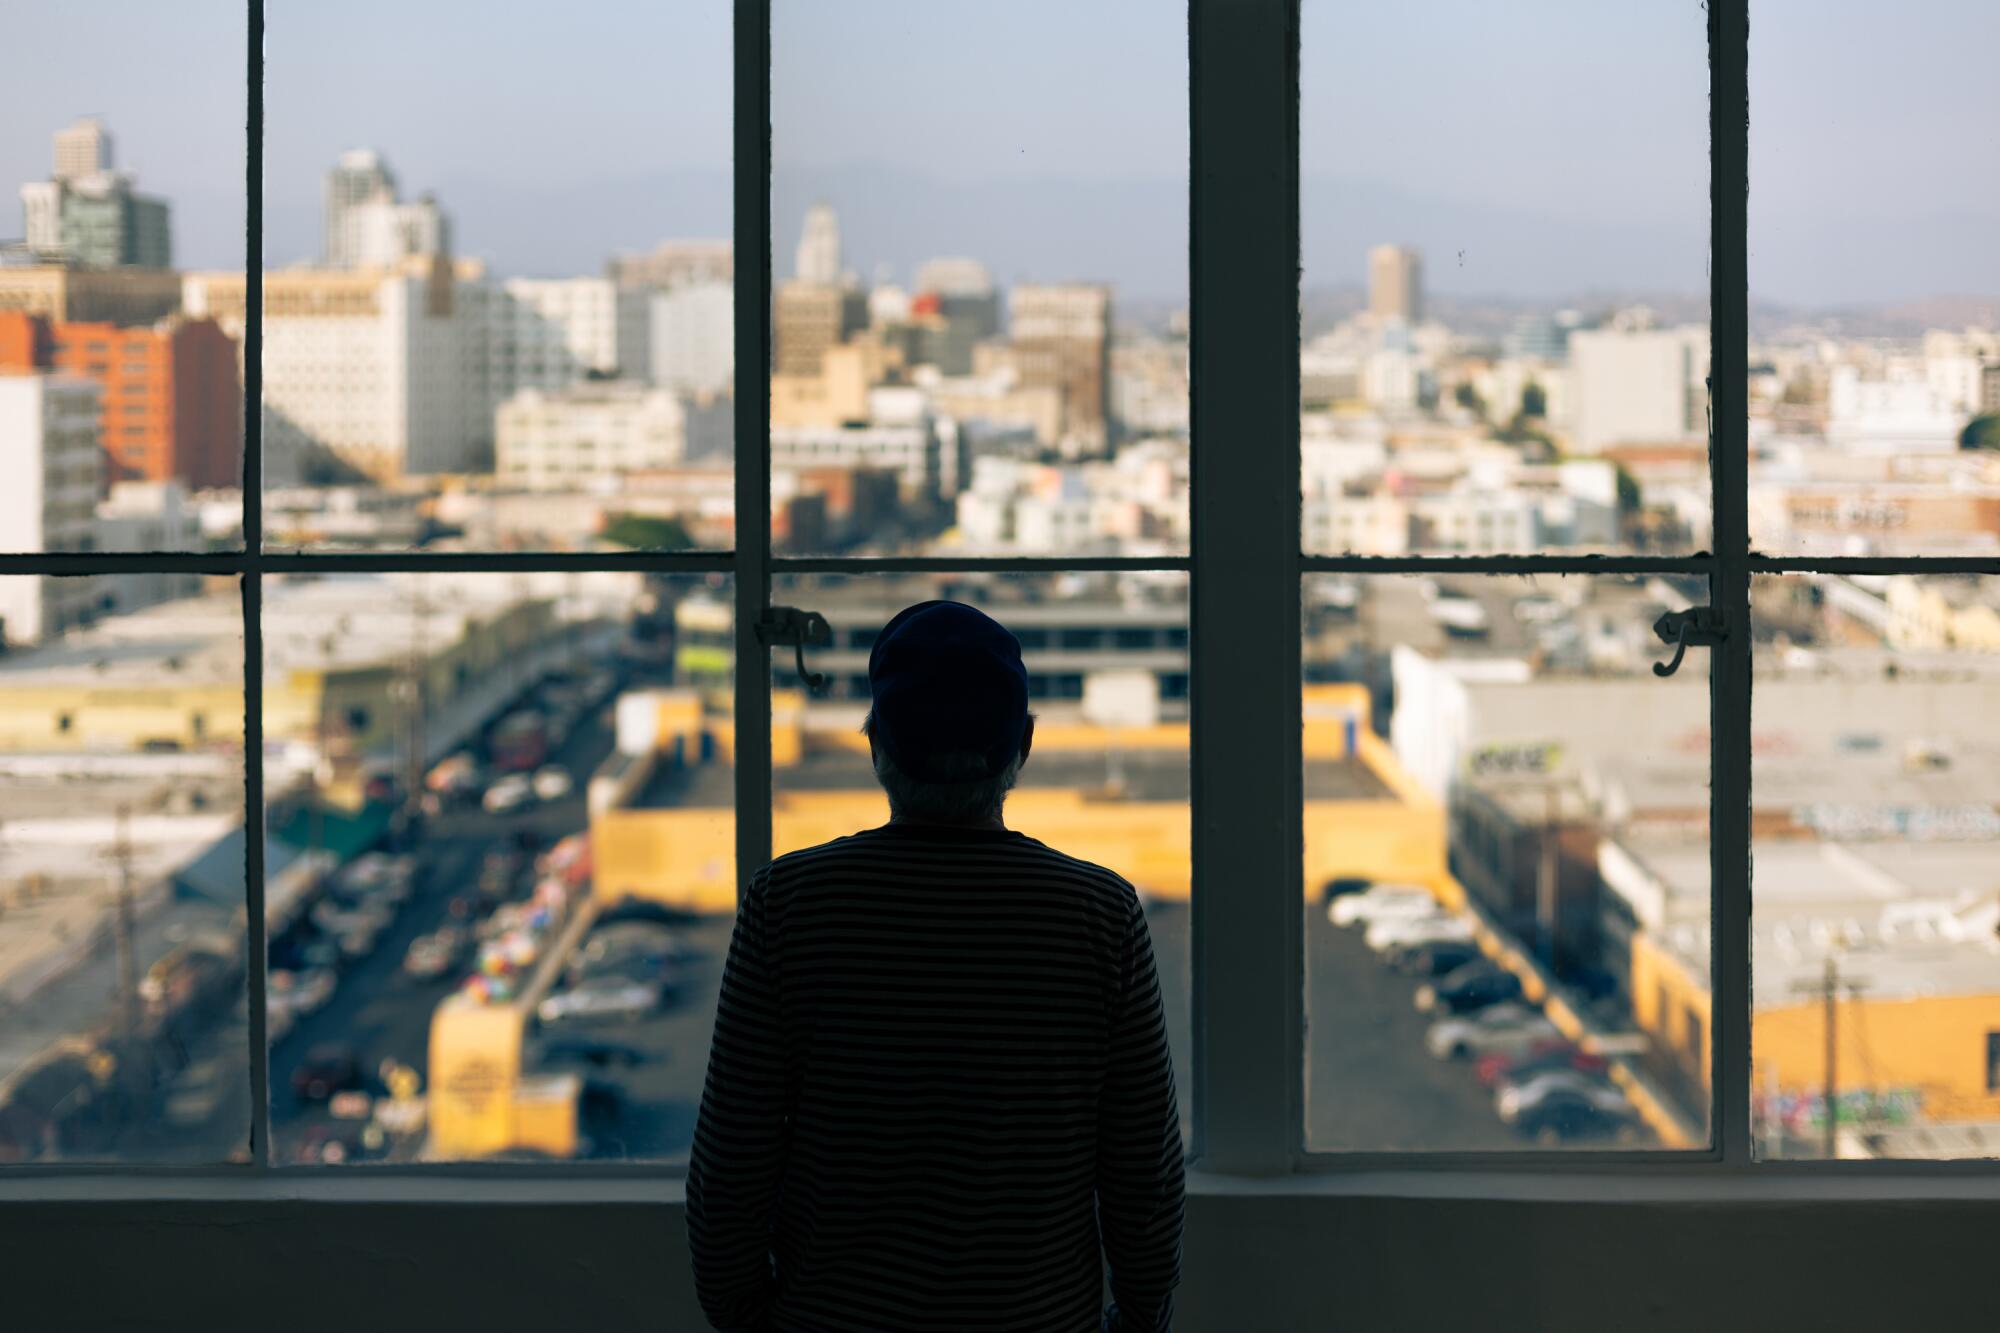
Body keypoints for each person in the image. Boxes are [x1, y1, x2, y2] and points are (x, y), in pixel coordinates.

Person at [688, 600, 1185, 1332]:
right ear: (1025, 743)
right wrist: (1139, 1317)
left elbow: (733, 1157)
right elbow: (1142, 1170)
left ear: (874, 742)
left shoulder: (789, 903)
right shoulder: (1099, 912)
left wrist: (746, 1317)